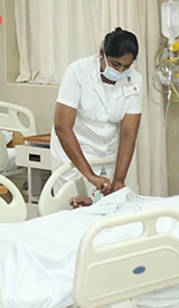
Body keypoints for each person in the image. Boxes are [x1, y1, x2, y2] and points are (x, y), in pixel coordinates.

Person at [51, 28, 143, 195]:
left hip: (109, 154)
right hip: (75, 153)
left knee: (112, 207)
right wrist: (89, 175)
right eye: (115, 64)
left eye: (126, 66)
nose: (120, 71)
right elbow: (62, 128)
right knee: (75, 206)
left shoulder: (134, 80)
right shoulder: (78, 72)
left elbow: (128, 134)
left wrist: (119, 180)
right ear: (102, 53)